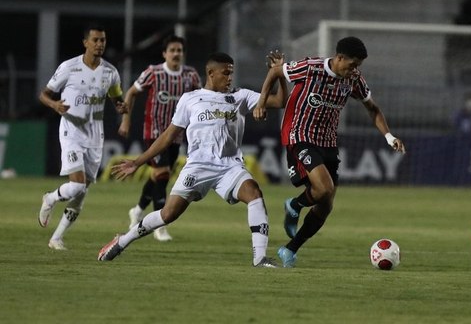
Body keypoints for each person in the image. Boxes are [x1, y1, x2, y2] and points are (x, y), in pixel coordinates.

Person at [98, 52, 287, 267]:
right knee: (168, 214)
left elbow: (280, 100)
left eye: (231, 74)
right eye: (225, 73)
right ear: (210, 73)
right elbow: (168, 136)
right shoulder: (190, 99)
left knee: (254, 193)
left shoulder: (240, 96)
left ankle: (260, 258)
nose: (229, 78)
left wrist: (279, 73)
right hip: (197, 166)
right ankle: (122, 241)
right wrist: (137, 162)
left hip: (229, 166)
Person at [253, 36, 406, 268]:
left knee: (326, 204)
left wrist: (389, 136)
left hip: (327, 142)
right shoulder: (311, 68)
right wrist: (261, 103)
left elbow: (372, 108)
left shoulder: (353, 79)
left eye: (358, 66)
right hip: (299, 135)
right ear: (339, 58)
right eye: (352, 64)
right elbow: (275, 72)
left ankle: (290, 249)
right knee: (324, 188)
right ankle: (294, 205)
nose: (355, 70)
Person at [38, 24, 127, 250]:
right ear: (85, 42)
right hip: (71, 131)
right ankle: (50, 198)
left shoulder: (110, 72)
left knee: (81, 193)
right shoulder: (69, 67)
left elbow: (117, 99)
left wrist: (122, 110)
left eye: (103, 40)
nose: (100, 45)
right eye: (95, 40)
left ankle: (56, 238)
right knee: (77, 186)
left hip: (95, 136)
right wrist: (54, 104)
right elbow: (44, 95)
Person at [118, 35, 201, 242]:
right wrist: (125, 121)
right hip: (154, 133)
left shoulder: (190, 76)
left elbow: (201, 100)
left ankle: (137, 211)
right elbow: (130, 93)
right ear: (164, 53)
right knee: (163, 174)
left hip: (176, 134)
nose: (176, 54)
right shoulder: (153, 73)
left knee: (157, 176)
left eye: (179, 50)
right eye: (172, 50)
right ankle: (160, 227)